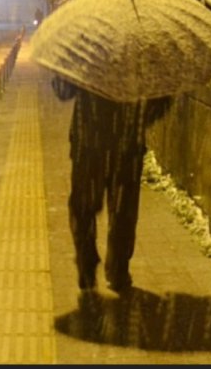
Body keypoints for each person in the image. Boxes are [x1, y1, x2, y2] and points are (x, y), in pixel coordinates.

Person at [52, 75, 172, 293]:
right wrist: (139, 116)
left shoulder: (86, 49)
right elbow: (161, 100)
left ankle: (88, 264)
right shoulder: (141, 55)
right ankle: (117, 270)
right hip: (126, 145)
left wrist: (64, 74)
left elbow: (62, 91)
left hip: (89, 142)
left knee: (84, 208)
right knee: (123, 210)